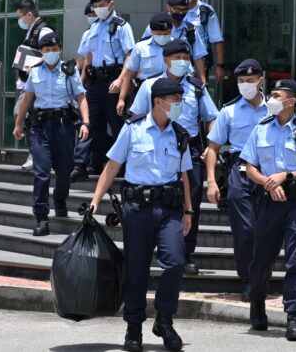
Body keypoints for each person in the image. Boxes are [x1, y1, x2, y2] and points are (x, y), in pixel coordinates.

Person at [88, 78, 193, 352]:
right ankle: (133, 326)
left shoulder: (180, 134)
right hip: (137, 209)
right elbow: (112, 166)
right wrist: (95, 200)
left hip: (169, 208)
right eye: (175, 100)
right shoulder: (133, 130)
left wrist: (189, 210)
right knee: (137, 271)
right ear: (158, 102)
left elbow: (184, 176)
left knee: (175, 262)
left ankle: (165, 319)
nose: (180, 105)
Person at [239, 79, 296, 341]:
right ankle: (257, 304)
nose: (271, 98)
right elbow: (249, 167)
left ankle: (294, 315)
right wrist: (269, 183)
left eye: (277, 95)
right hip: (269, 202)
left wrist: (287, 176)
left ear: (292, 101)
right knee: (260, 260)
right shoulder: (262, 128)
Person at [130, 39, 219, 275]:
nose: (181, 62)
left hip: (189, 149)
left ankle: (185, 252)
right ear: (165, 60)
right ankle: (151, 249)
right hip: (156, 147)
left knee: (192, 201)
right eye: (176, 58)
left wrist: (212, 145)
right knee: (156, 198)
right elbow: (136, 117)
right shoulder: (150, 86)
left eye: (185, 58)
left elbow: (212, 118)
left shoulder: (197, 88)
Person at [13, 33, 90, 236]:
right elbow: (27, 98)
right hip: (40, 127)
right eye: (47, 51)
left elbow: (81, 98)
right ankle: (41, 218)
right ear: (42, 52)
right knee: (42, 172)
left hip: (63, 126)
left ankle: (60, 198)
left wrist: (85, 123)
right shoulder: (35, 72)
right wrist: (18, 124)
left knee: (65, 171)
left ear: (60, 50)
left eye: (54, 50)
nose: (51, 53)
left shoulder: (70, 71)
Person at [205, 59, 267, 301]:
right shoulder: (228, 111)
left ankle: (261, 274)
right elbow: (212, 148)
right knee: (245, 230)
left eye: (250, 81)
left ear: (260, 81)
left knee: (265, 230)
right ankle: (250, 280)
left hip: (267, 174)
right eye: (241, 82)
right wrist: (211, 181)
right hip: (238, 173)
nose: (245, 85)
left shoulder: (274, 109)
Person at [71, 0, 135, 182]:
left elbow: (130, 55)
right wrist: (78, 85)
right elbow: (85, 57)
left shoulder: (122, 27)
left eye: (102, 5)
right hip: (95, 82)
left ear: (111, 4)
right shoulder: (93, 29)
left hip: (113, 80)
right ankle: (83, 164)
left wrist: (121, 79)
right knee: (89, 123)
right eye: (96, 6)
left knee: (117, 126)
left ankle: (122, 166)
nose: (99, 9)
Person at [14, 0, 54, 171]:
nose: (20, 21)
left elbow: (52, 54)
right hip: (28, 83)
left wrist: (33, 64)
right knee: (27, 116)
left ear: (29, 15)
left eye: (20, 17)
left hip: (39, 84)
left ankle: (37, 154)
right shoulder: (31, 32)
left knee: (29, 117)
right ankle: (34, 153)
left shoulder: (44, 31)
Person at [141, 0, 208, 83]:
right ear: (168, 7)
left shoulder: (191, 29)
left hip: (182, 79)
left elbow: (198, 57)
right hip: (156, 79)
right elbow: (141, 49)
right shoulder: (156, 25)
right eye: (177, 9)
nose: (181, 13)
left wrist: (202, 82)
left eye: (184, 9)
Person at [115, 12, 174, 117]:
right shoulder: (140, 47)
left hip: (171, 94)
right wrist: (121, 99)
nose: (162, 36)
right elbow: (129, 75)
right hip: (145, 93)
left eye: (165, 34)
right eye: (159, 34)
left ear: (171, 31)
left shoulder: (177, 47)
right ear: (151, 32)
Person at [174, 0, 226, 86]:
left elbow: (217, 40)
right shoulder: (175, 9)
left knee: (197, 95)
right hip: (176, 62)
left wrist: (220, 66)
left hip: (199, 64)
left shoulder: (205, 11)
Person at [76, 2, 97, 71]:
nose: (91, 18)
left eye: (94, 15)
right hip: (88, 73)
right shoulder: (86, 34)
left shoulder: (107, 31)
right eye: (89, 16)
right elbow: (80, 60)